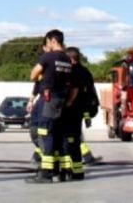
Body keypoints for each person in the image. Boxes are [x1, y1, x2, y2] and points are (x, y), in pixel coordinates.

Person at [25, 29, 75, 184]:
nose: (47, 45)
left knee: (46, 134)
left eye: (47, 42)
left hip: (49, 99)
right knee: (58, 134)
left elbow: (33, 75)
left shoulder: (48, 56)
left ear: (53, 41)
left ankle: (46, 173)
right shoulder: (67, 59)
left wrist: (42, 73)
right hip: (61, 100)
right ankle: (58, 170)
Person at [64, 46, 99, 179]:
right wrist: (87, 115)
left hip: (70, 110)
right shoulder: (86, 72)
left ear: (70, 58)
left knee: (67, 141)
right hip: (80, 112)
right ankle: (78, 172)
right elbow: (90, 95)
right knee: (76, 140)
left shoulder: (72, 72)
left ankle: (66, 170)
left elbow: (74, 91)